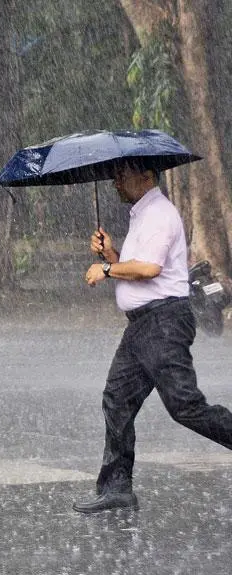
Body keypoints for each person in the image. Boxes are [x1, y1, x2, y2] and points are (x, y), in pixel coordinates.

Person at [76, 161, 232, 513]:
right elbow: (138, 267)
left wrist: (105, 268)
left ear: (146, 177)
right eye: (115, 176)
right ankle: (117, 487)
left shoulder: (160, 214)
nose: (115, 182)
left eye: (122, 175)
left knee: (185, 406)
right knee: (117, 398)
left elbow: (150, 269)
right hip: (143, 326)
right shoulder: (142, 214)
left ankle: (117, 485)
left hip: (163, 324)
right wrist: (112, 255)